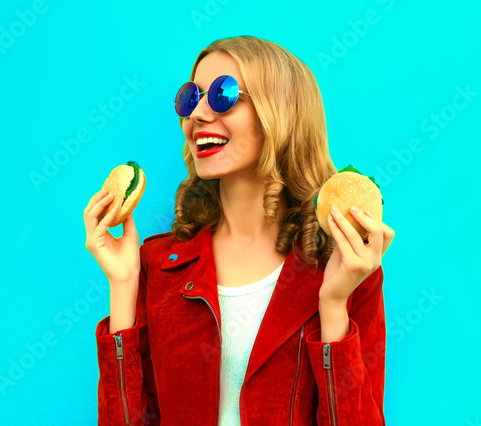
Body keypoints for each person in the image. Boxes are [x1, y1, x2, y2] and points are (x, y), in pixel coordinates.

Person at [83, 35, 395, 426]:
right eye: (190, 97)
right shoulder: (158, 264)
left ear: (280, 115)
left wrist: (333, 307)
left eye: (223, 95)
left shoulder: (346, 266)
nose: (196, 114)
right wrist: (124, 286)